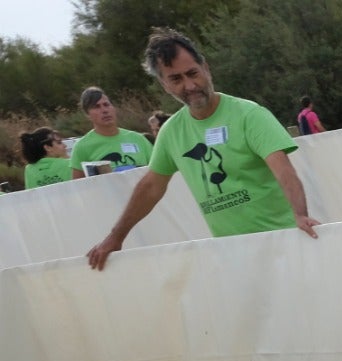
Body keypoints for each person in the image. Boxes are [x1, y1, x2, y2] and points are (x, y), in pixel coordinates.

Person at [86, 28, 319, 270]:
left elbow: (283, 170)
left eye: (192, 73)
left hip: (284, 244)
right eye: (176, 79)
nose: (189, 85)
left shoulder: (249, 115)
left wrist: (300, 214)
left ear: (205, 67)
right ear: (164, 84)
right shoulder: (171, 131)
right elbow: (151, 186)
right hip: (233, 257)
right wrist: (116, 236)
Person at [69, 87, 154, 178]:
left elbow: (158, 172)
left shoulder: (139, 139)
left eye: (106, 104)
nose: (104, 110)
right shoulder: (82, 147)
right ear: (87, 114)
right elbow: (79, 187)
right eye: (97, 107)